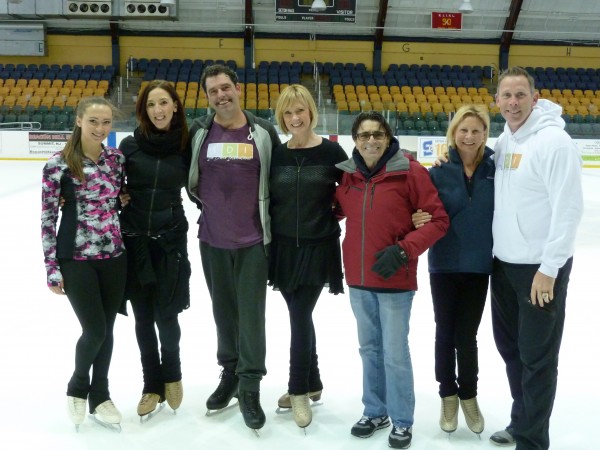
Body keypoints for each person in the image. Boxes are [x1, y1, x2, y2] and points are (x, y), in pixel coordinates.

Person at [335, 111, 449, 449]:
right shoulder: (348, 177)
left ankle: (402, 420)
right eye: (364, 135)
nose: (371, 140)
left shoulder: (410, 172)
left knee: (395, 352)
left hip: (395, 280)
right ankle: (374, 410)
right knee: (369, 349)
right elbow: (335, 210)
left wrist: (404, 250)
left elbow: (438, 221)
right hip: (358, 279)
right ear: (354, 140)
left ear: (388, 138)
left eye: (378, 134)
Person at [487, 67, 583, 449]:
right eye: (506, 96)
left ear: (534, 98)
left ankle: (532, 440)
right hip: (504, 264)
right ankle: (521, 420)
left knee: (537, 358)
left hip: (539, 270)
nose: (513, 102)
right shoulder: (506, 139)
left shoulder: (554, 143)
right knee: (511, 349)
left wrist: (549, 268)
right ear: (497, 101)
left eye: (520, 95)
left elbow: (569, 210)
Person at [186, 64, 281, 431]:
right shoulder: (199, 132)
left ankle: (251, 384)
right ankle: (230, 373)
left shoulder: (262, 131)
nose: (221, 96)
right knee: (223, 312)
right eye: (213, 91)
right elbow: (189, 178)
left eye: (226, 88)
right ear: (207, 97)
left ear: (238, 88)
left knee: (251, 317)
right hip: (212, 241)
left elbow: (278, 182)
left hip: (253, 242)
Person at [41, 96, 126, 431]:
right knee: (95, 330)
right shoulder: (58, 164)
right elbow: (48, 219)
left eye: (106, 122)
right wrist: (51, 267)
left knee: (109, 330)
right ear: (78, 121)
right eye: (93, 121)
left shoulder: (116, 160)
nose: (100, 129)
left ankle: (101, 395)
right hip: (76, 258)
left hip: (115, 257)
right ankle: (78, 389)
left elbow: (120, 197)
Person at [269, 84, 347, 428]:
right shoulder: (277, 154)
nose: (295, 118)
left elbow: (355, 191)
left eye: (300, 110)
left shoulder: (332, 152)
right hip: (283, 248)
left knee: (299, 316)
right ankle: (312, 382)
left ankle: (298, 389)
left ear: (311, 112)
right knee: (299, 315)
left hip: (318, 247)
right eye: (288, 113)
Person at [118, 80, 192, 420]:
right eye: (151, 105)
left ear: (175, 105)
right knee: (144, 317)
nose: (158, 110)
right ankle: (152, 383)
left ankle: (172, 373)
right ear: (143, 110)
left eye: (163, 102)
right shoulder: (130, 145)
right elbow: (109, 182)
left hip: (170, 238)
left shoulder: (186, 145)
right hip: (134, 239)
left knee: (167, 313)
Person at [425, 104, 495, 435]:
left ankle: (468, 394)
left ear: (485, 134)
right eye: (463, 130)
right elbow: (420, 211)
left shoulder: (497, 168)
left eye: (476, 130)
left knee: (467, 335)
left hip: (479, 265)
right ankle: (448, 395)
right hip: (444, 264)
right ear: (453, 133)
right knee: (444, 332)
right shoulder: (437, 171)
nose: (469, 136)